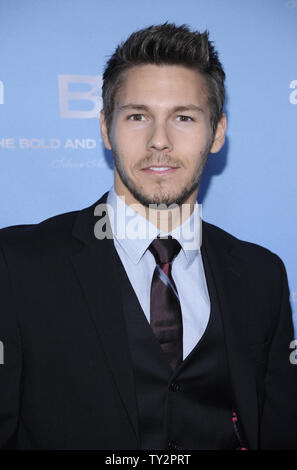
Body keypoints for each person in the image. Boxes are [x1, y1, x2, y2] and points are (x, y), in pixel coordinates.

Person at [0, 23, 296, 451]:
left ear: (217, 133)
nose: (159, 141)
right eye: (138, 116)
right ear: (106, 128)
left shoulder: (261, 274)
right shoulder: (17, 264)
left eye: (184, 117)